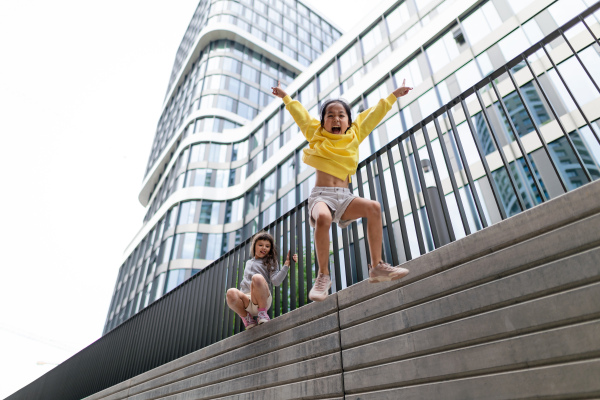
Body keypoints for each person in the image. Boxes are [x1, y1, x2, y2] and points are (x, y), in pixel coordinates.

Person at [271, 79, 413, 302]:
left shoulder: (354, 135)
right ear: (323, 122)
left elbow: (374, 114)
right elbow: (300, 115)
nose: (336, 119)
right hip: (321, 196)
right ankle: (323, 275)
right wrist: (285, 97)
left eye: (341, 115)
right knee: (324, 218)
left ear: (348, 121)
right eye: (330, 115)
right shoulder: (315, 134)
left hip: (345, 197)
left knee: (374, 207)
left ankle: (376, 267)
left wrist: (393, 95)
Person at [226, 231, 298, 329]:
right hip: (246, 302)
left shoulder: (271, 261)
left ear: (270, 249)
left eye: (267, 246)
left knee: (257, 277)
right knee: (230, 292)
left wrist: (286, 265)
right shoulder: (248, 262)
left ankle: (263, 314)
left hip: (261, 299)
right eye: (260, 245)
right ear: (254, 246)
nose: (264, 248)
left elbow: (276, 282)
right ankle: (247, 318)